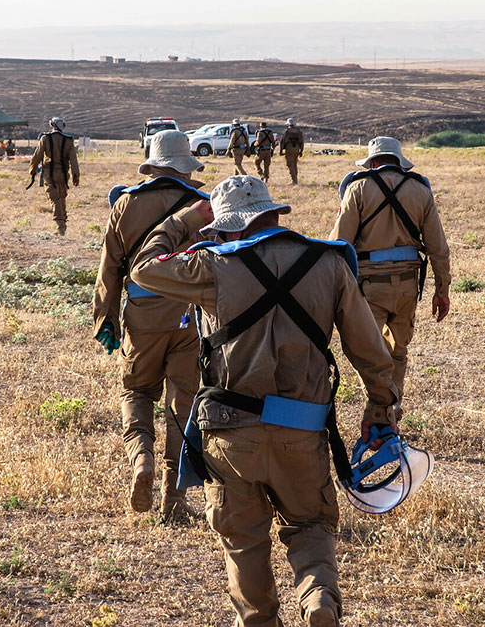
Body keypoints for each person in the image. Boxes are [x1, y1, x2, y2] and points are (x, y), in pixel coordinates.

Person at [132, 175, 401, 627]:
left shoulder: (213, 266)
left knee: (243, 539)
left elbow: (143, 267)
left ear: (230, 227)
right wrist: (379, 408)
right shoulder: (329, 263)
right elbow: (372, 352)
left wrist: (184, 219)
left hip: (230, 434)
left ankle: (258, 619)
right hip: (303, 429)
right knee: (311, 526)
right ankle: (318, 599)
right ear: (275, 215)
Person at [93, 130, 208, 519]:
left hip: (141, 315)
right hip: (190, 317)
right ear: (184, 165)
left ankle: (142, 460)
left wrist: (104, 317)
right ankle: (174, 500)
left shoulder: (125, 203)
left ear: (153, 164)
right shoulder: (201, 205)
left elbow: (110, 266)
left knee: (137, 392)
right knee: (183, 403)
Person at [329, 136, 451, 395]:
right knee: (398, 353)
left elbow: (339, 245)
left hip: (368, 287)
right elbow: (438, 249)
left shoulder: (358, 188)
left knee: (369, 355)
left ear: (372, 162)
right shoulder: (421, 190)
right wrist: (442, 290)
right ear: (399, 162)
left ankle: (381, 411)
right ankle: (392, 411)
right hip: (408, 286)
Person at [29, 117, 80, 236]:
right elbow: (73, 160)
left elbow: (37, 155)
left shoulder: (45, 138)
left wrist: (32, 169)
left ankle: (60, 226)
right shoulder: (68, 140)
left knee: (54, 198)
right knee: (61, 197)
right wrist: (76, 175)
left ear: (52, 125)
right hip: (63, 174)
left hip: (49, 174)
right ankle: (63, 223)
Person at [278, 118, 304, 184]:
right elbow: (302, 142)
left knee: (290, 164)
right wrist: (301, 151)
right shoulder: (299, 131)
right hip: (297, 148)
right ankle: (295, 179)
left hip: (289, 148)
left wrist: (281, 150)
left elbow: (282, 142)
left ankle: (294, 180)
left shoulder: (287, 131)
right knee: (294, 164)